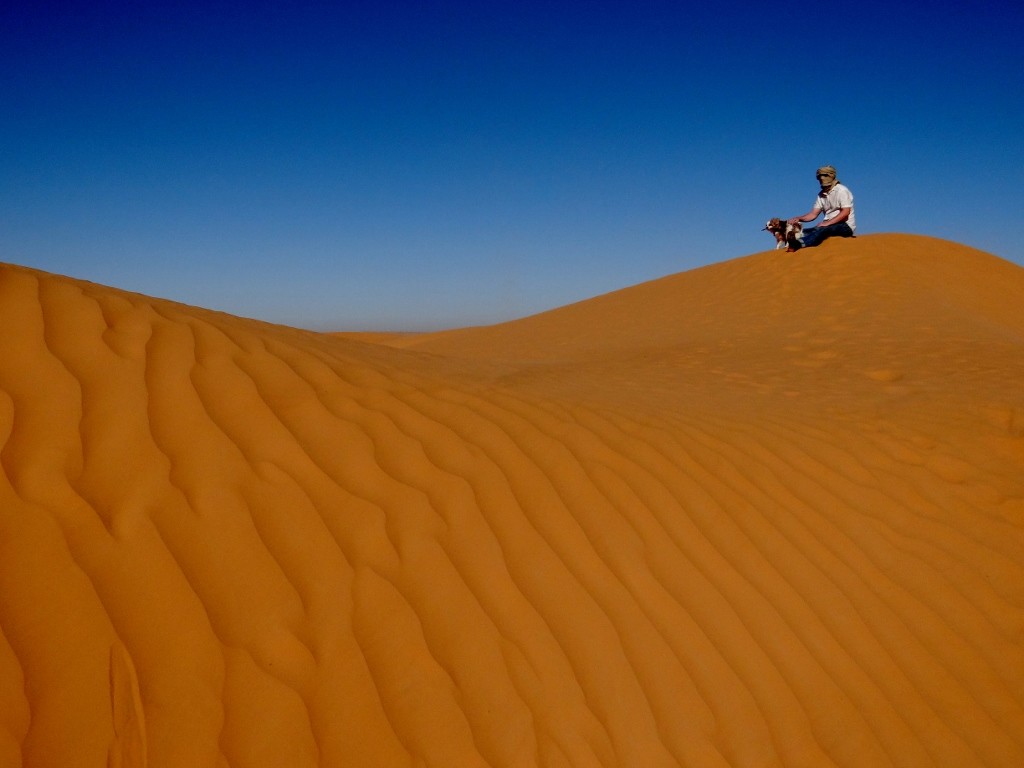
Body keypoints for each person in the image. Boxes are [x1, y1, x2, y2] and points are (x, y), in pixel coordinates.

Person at [787, 165, 855, 249]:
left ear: (832, 176)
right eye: (819, 176)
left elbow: (845, 212)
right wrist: (799, 218)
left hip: (845, 226)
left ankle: (798, 244)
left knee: (822, 230)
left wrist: (827, 223)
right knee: (804, 232)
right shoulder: (821, 195)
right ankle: (793, 240)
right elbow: (813, 214)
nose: (822, 178)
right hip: (826, 225)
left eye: (825, 175)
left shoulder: (841, 191)